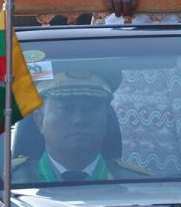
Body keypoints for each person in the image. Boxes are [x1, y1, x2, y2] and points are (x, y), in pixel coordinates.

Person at [12, 71, 149, 182]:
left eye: (91, 109)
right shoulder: (8, 184)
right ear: (40, 120)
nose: (79, 120)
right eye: (65, 109)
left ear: (107, 120)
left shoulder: (141, 186)